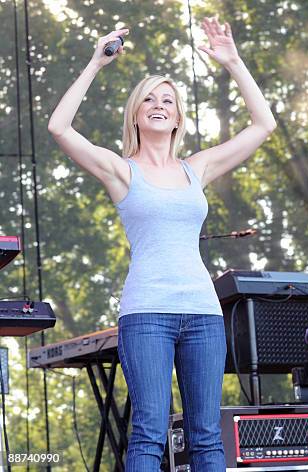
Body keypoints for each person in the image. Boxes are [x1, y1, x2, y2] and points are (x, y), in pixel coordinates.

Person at [47, 19, 276, 471]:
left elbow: (264, 124)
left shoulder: (198, 168)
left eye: (167, 100)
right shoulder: (120, 171)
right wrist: (97, 61)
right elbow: (59, 127)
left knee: (207, 436)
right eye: (148, 98)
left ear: (177, 118)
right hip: (147, 312)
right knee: (150, 432)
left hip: (203, 314)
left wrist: (232, 61)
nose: (158, 104)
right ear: (136, 114)